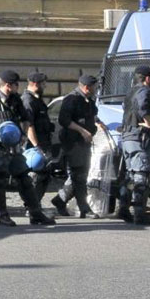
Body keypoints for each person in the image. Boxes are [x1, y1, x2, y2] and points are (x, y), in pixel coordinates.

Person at [0, 70, 55, 227]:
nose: (17, 87)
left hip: (15, 147)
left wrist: (23, 135)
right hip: (0, 147)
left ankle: (35, 214)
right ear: (8, 85)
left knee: (24, 179)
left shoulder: (16, 100)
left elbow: (26, 119)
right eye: (15, 84)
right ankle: (2, 216)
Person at [51, 74, 108, 219]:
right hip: (73, 142)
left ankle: (60, 200)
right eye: (94, 87)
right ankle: (84, 209)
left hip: (84, 143)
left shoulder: (88, 99)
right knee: (79, 176)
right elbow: (64, 120)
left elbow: (92, 115)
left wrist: (98, 123)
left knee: (79, 175)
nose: (96, 89)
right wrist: (82, 131)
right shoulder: (72, 99)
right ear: (87, 87)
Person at [117, 64, 150, 225]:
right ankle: (139, 214)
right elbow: (142, 107)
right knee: (141, 175)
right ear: (147, 78)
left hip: (127, 137)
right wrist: (148, 123)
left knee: (129, 175)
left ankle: (123, 209)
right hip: (138, 138)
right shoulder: (143, 91)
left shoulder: (130, 92)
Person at [21, 71, 55, 213]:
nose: (45, 86)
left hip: (43, 143)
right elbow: (29, 126)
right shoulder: (28, 101)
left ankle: (35, 205)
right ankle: (32, 207)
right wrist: (37, 147)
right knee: (36, 176)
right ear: (35, 84)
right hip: (34, 146)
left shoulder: (37, 99)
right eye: (43, 83)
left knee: (45, 175)